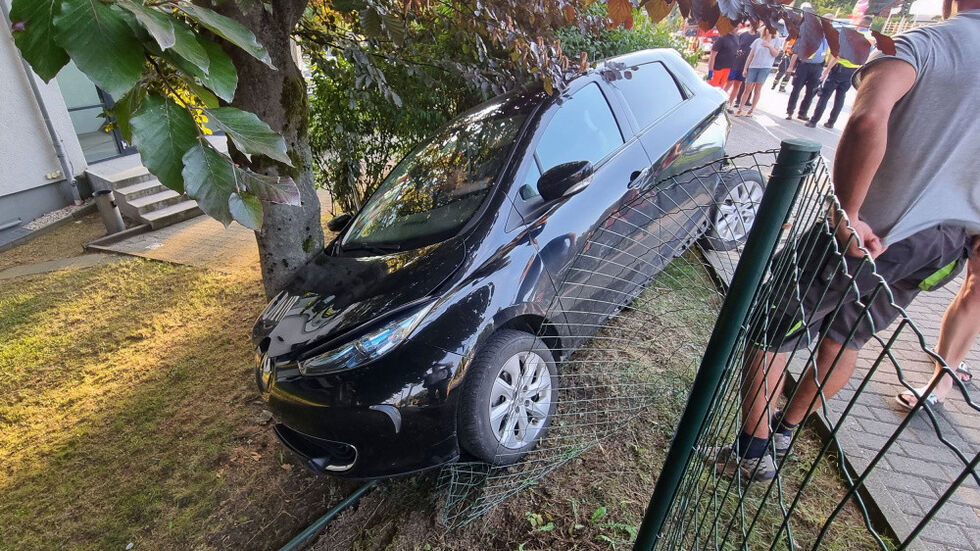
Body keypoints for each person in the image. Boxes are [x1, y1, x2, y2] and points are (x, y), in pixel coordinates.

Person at [716, 0, 980, 481]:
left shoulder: (929, 43)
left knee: (777, 325)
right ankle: (784, 429)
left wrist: (848, 213)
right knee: (848, 335)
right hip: (943, 248)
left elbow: (866, 117)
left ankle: (750, 453)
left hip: (876, 232)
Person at [806, 16, 875, 128]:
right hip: (853, 71)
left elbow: (838, 55)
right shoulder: (871, 38)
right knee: (840, 97)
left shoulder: (852, 35)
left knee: (825, 96)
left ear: (861, 23)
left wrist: (826, 71)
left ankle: (813, 121)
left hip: (839, 69)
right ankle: (831, 122)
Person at [784, 9, 829, 121]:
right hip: (804, 65)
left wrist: (825, 70)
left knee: (811, 91)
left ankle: (802, 113)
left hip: (817, 67)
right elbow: (797, 50)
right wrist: (791, 66)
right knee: (796, 89)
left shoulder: (827, 38)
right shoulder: (809, 34)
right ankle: (790, 111)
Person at [737, 28, 781, 116]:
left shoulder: (776, 40)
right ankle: (740, 108)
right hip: (754, 66)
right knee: (747, 88)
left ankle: (752, 109)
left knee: (758, 88)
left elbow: (775, 54)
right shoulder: (758, 41)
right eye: (767, 28)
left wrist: (769, 46)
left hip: (765, 67)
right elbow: (750, 55)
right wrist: (745, 68)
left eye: (771, 29)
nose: (769, 30)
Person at [726, 24, 760, 111]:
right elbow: (736, 47)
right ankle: (721, 101)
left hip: (748, 64)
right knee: (729, 83)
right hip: (736, 63)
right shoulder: (743, 35)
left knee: (738, 84)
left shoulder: (759, 36)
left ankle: (729, 104)